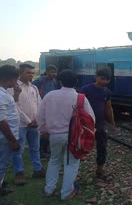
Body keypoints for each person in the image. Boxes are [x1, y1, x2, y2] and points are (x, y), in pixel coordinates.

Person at [37, 69, 95, 200]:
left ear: (60, 81)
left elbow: (40, 116)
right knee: (71, 163)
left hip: (54, 136)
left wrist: (44, 130)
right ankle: (66, 192)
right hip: (74, 137)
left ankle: (49, 189)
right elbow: (91, 119)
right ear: (76, 82)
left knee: (54, 160)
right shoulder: (80, 98)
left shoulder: (50, 95)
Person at [7, 64, 45, 185]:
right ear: (20, 73)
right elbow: (15, 107)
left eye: (32, 73)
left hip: (34, 124)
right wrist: (28, 121)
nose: (31, 75)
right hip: (20, 125)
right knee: (19, 149)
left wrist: (38, 119)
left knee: (35, 148)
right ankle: (19, 173)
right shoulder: (13, 87)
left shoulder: (33, 87)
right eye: (28, 72)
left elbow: (40, 104)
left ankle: (37, 169)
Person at [79, 67, 116, 179]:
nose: (104, 81)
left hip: (100, 124)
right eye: (102, 78)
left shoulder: (107, 92)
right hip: (85, 124)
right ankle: (74, 170)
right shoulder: (84, 90)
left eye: (107, 79)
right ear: (96, 77)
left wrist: (112, 123)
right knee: (79, 146)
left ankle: (99, 170)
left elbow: (108, 108)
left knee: (102, 147)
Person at [0, 65, 21, 196]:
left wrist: (17, 94)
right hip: (4, 138)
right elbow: (1, 121)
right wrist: (13, 140)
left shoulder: (4, 93)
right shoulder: (1, 95)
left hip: (5, 137)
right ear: (12, 79)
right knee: (2, 165)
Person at [33, 65, 58, 158]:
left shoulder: (54, 81)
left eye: (55, 72)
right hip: (42, 106)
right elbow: (32, 88)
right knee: (44, 129)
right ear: (47, 72)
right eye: (52, 72)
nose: (54, 74)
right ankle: (41, 151)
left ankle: (46, 149)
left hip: (51, 106)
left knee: (49, 129)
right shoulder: (40, 80)